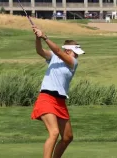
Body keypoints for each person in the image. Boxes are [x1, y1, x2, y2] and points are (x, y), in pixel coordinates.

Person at [31, 25, 85, 158]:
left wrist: (45, 37)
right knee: (54, 133)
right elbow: (40, 51)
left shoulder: (73, 63)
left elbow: (58, 52)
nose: (77, 55)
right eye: (75, 52)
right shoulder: (53, 58)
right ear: (68, 50)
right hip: (47, 98)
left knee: (67, 137)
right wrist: (38, 38)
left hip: (60, 101)